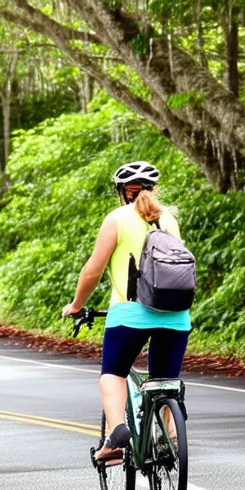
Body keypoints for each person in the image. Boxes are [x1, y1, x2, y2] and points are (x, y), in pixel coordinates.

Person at [62, 161, 191, 464]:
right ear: (153, 189)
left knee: (113, 375)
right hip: (176, 316)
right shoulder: (168, 219)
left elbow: (93, 270)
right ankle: (170, 435)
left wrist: (77, 305)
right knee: (164, 381)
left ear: (122, 192)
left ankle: (117, 432)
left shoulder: (117, 218)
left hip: (130, 315)